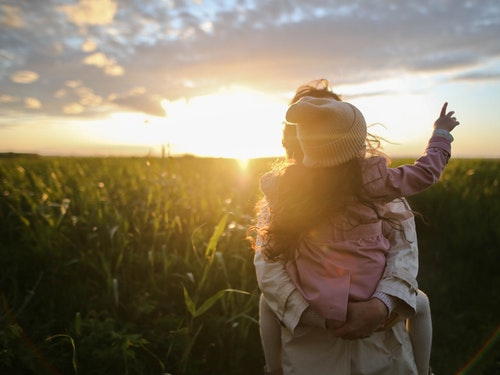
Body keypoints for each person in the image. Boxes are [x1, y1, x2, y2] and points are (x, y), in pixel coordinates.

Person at [251, 79, 459, 375]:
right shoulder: (376, 183)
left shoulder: (285, 190)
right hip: (310, 348)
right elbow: (269, 268)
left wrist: (381, 305)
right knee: (421, 302)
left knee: (265, 305)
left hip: (382, 347)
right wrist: (441, 135)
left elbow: (404, 251)